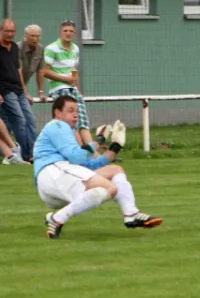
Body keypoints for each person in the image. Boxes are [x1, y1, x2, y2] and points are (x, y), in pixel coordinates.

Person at [33, 95, 163, 239]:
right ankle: (58, 218)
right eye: (70, 110)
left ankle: (131, 213)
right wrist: (99, 141)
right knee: (110, 187)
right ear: (58, 113)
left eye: (76, 111)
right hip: (53, 174)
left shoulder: (67, 132)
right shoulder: (57, 125)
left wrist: (115, 146)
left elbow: (87, 165)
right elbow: (76, 156)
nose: (75, 114)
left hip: (59, 180)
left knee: (115, 171)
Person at [42, 20, 92, 146]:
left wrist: (77, 87)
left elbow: (73, 70)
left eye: (71, 31)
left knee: (83, 120)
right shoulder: (51, 48)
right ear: (60, 32)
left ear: (74, 33)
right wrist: (65, 79)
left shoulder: (75, 49)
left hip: (72, 88)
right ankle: (80, 151)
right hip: (59, 88)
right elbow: (45, 72)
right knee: (71, 122)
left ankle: (92, 152)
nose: (68, 33)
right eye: (65, 31)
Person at [0, 18, 36, 162]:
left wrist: (25, 91)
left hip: (18, 89)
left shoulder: (14, 47)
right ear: (1, 30)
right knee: (19, 121)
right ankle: (27, 156)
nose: (10, 34)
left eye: (12, 31)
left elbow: (18, 69)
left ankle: (33, 152)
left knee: (30, 119)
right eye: (7, 31)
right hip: (5, 90)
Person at [17, 24, 46, 102]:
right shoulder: (18, 48)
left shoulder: (40, 49)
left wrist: (41, 92)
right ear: (26, 36)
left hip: (20, 89)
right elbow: (18, 71)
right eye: (32, 36)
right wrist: (25, 93)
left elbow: (40, 71)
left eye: (38, 36)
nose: (35, 39)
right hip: (8, 86)